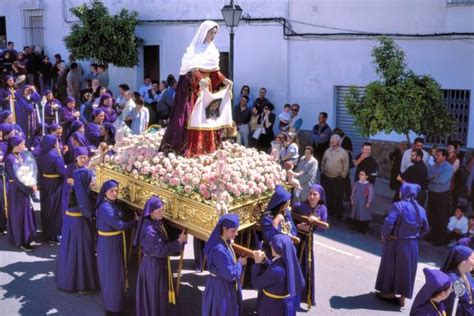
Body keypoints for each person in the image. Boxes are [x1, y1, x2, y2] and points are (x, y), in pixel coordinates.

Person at [160, 20, 231, 157]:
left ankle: (207, 147)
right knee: (194, 118)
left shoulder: (212, 50)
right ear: (204, 32)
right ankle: (191, 148)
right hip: (194, 92)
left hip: (207, 89)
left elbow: (214, 71)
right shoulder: (193, 50)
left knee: (208, 118)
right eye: (211, 33)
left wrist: (223, 80)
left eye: (215, 33)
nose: (213, 36)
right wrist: (199, 80)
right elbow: (189, 70)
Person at [374, 183, 429, 307]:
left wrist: (385, 235)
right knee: (407, 269)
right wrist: (415, 237)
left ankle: (389, 293)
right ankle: (403, 296)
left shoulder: (398, 206)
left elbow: (389, 223)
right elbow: (425, 228)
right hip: (412, 244)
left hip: (396, 241)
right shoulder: (421, 209)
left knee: (392, 267)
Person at [134, 196, 188, 316]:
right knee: (155, 294)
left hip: (157, 263)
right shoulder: (149, 230)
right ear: (151, 212)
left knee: (159, 294)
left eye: (163, 209)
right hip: (153, 266)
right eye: (159, 211)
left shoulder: (156, 221)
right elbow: (161, 250)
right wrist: (178, 242)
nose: (162, 213)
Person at [56, 151, 98, 292]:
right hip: (78, 222)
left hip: (70, 221)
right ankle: (80, 283)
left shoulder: (76, 187)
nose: (84, 159)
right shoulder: (78, 187)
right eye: (82, 157)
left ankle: (66, 278)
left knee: (70, 250)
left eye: (86, 157)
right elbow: (87, 209)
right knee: (81, 251)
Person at [96, 179, 137, 314]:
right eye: (111, 191)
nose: (115, 193)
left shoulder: (112, 203)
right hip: (109, 244)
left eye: (116, 190)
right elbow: (120, 225)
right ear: (105, 192)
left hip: (115, 240)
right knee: (111, 274)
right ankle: (112, 308)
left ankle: (118, 302)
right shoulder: (105, 208)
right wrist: (135, 222)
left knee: (118, 272)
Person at [202, 214, 246, 316]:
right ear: (224, 229)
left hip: (220, 284)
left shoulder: (224, 241)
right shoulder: (219, 249)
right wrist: (239, 264)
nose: (236, 234)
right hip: (220, 288)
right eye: (233, 231)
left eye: (236, 230)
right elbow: (230, 274)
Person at [292, 184, 328, 307]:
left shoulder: (322, 209)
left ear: (320, 196)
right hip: (296, 240)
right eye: (310, 193)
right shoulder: (299, 206)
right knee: (294, 265)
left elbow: (323, 227)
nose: (312, 197)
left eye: (315, 194)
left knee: (306, 267)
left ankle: (304, 297)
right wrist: (298, 226)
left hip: (308, 243)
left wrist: (315, 223)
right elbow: (290, 217)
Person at [252, 234, 305, 316]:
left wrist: (257, 263)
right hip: (285, 304)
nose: (270, 245)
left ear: (278, 249)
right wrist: (265, 260)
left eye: (272, 244)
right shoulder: (289, 262)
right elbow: (274, 268)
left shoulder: (277, 270)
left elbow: (256, 284)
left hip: (272, 307)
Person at [5, 135, 37, 251]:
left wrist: (31, 182)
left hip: (22, 187)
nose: (24, 146)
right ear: (15, 146)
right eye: (22, 144)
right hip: (17, 190)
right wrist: (29, 188)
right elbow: (16, 178)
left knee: (26, 212)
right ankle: (22, 239)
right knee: (20, 214)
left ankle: (26, 236)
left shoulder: (18, 155)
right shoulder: (10, 159)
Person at [36, 134, 66, 244]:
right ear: (54, 143)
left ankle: (46, 233)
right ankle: (54, 234)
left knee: (45, 207)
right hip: (55, 184)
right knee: (55, 208)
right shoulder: (55, 155)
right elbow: (62, 171)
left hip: (44, 183)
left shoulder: (40, 155)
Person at [260, 185, 299, 259]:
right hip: (272, 253)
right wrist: (275, 222)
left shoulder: (286, 213)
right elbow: (268, 238)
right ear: (281, 203)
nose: (289, 202)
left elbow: (293, 229)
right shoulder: (267, 218)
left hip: (287, 247)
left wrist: (290, 236)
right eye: (288, 201)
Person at [427, 149, 454, 246]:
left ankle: (440, 239)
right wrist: (434, 176)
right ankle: (432, 235)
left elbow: (442, 180)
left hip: (441, 195)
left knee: (441, 217)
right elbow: (428, 175)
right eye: (436, 155)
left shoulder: (448, 168)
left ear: (444, 157)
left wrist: (433, 177)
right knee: (432, 215)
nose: (436, 157)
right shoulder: (434, 165)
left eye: (438, 155)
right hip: (432, 193)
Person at [321, 134, 349, 221]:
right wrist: (322, 172)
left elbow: (346, 165)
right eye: (331, 141)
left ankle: (339, 215)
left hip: (338, 179)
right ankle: (330, 212)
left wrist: (342, 176)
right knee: (328, 196)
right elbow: (323, 161)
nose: (332, 142)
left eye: (334, 141)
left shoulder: (343, 152)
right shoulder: (327, 151)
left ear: (338, 142)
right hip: (327, 177)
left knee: (338, 197)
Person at [440, 245, 474, 315]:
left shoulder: (467, 274)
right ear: (463, 261)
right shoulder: (452, 280)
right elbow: (452, 308)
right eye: (473, 258)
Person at [350, 170, 374, 234]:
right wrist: (352, 199)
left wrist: (368, 202)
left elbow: (371, 194)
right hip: (357, 202)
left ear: (366, 176)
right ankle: (355, 227)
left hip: (364, 203)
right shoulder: (356, 183)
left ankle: (363, 229)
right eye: (360, 174)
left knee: (363, 215)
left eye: (362, 174)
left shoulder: (369, 185)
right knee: (356, 214)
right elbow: (353, 192)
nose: (360, 176)